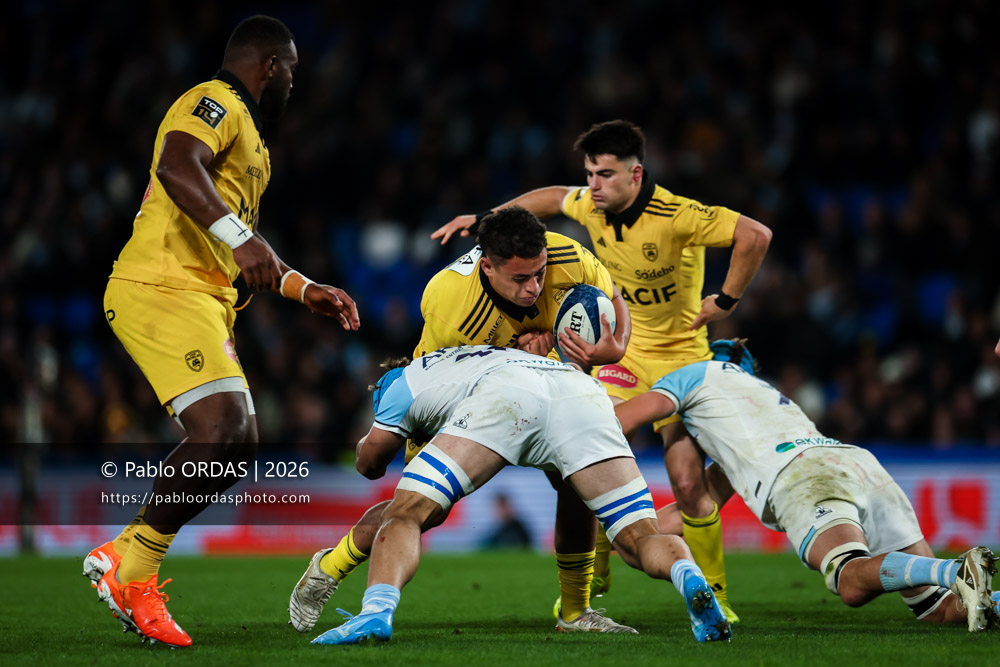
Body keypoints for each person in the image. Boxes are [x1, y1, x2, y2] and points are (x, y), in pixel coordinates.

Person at [83, 15, 360, 648]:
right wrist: (240, 238)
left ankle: (126, 556)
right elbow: (177, 165)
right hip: (162, 284)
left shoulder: (254, 142)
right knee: (226, 430)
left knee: (236, 441)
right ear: (271, 65)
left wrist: (305, 289)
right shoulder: (214, 100)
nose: (293, 82)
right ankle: (133, 571)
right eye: (292, 70)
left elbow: (248, 247)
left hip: (203, 296)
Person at [432, 120, 772, 621]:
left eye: (605, 174)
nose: (593, 185)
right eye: (589, 173)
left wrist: (726, 299)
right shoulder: (591, 204)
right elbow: (551, 198)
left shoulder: (677, 215)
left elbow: (755, 234)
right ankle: (598, 570)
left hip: (682, 360)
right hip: (621, 356)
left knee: (686, 482)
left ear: (636, 174)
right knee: (592, 453)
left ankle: (716, 595)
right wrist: (488, 218)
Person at [291, 206, 636, 634]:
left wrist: (615, 348)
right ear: (487, 267)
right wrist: (522, 356)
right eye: (520, 279)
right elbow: (454, 378)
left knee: (576, 482)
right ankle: (330, 565)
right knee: (422, 510)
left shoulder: (568, 256)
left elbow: (613, 299)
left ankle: (575, 611)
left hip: (545, 387)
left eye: (539, 274)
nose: (534, 288)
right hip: (462, 393)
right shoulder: (450, 304)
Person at [310, 344, 731, 645]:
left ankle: (375, 613)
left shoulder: (397, 384)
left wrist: (377, 436)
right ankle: (687, 575)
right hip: (581, 392)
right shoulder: (469, 358)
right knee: (640, 537)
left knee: (405, 513)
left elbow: (369, 465)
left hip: (508, 396)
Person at [614, 338, 999, 632]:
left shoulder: (692, 374)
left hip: (802, 477)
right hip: (856, 464)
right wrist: (626, 535)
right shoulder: (761, 401)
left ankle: (954, 571)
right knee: (939, 609)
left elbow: (619, 420)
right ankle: (963, 581)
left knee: (849, 579)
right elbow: (695, 509)